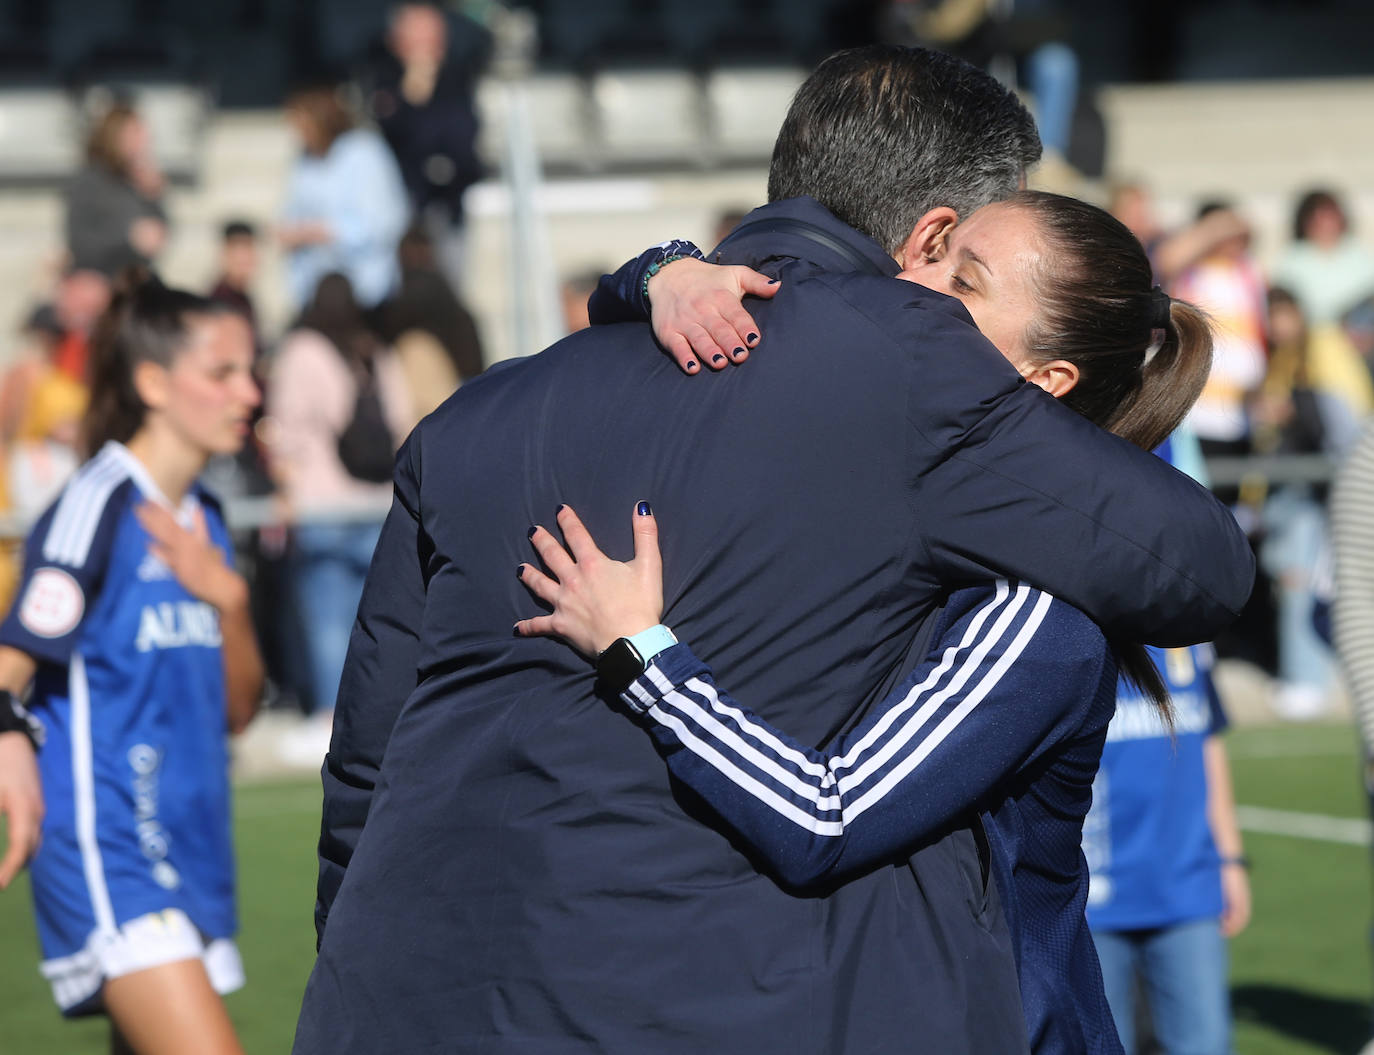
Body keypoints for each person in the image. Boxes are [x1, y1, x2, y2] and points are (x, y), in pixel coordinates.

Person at [293, 46, 1252, 1055]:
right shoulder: (915, 361)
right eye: (965, 259)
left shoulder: (474, 412)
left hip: (395, 995)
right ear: (932, 232)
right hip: (689, 998)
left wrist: (653, 273)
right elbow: (1202, 568)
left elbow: (368, 762)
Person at [512, 189, 1214, 1052]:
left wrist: (641, 653)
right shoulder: (911, 504)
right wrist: (666, 273)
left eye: (965, 280)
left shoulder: (1041, 607)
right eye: (936, 248)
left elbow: (825, 817)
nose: (914, 277)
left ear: (1044, 380)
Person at [0, 275, 264, 1054]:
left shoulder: (207, 519)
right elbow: (9, 665)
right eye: (222, 373)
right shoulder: (98, 505)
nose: (248, 392)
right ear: (152, 382)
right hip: (109, 845)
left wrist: (233, 605)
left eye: (250, 371)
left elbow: (236, 712)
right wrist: (11, 739)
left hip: (192, 849)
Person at [266, 273, 413, 745]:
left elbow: (285, 429)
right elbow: (403, 422)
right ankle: (383, 710)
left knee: (327, 617)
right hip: (376, 501)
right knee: (379, 617)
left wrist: (284, 485)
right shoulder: (374, 350)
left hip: (320, 504)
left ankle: (333, 716)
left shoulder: (301, 350)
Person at [364, 1, 491, 289]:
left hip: (448, 202)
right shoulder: (382, 77)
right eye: (419, 38)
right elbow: (396, 132)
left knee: (449, 283)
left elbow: (463, 135)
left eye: (433, 37)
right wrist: (414, 91)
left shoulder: (457, 79)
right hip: (401, 201)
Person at [279, 85, 410, 311]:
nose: (299, 133)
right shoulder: (305, 160)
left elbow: (384, 222)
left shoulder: (364, 152)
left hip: (365, 289)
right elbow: (294, 209)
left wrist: (323, 231)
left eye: (304, 125)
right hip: (316, 289)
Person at [65, 102, 168, 277]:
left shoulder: (141, 179)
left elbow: (161, 233)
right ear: (115, 136)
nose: (143, 140)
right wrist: (128, 238)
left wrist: (154, 197)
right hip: (99, 279)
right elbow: (79, 241)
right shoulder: (90, 180)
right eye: (135, 133)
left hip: (137, 276)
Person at [1273, 188, 1374, 328]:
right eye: (1317, 218)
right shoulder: (1293, 258)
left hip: (1358, 337)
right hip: (1309, 338)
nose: (1325, 223)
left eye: (1329, 216)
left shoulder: (1358, 252)